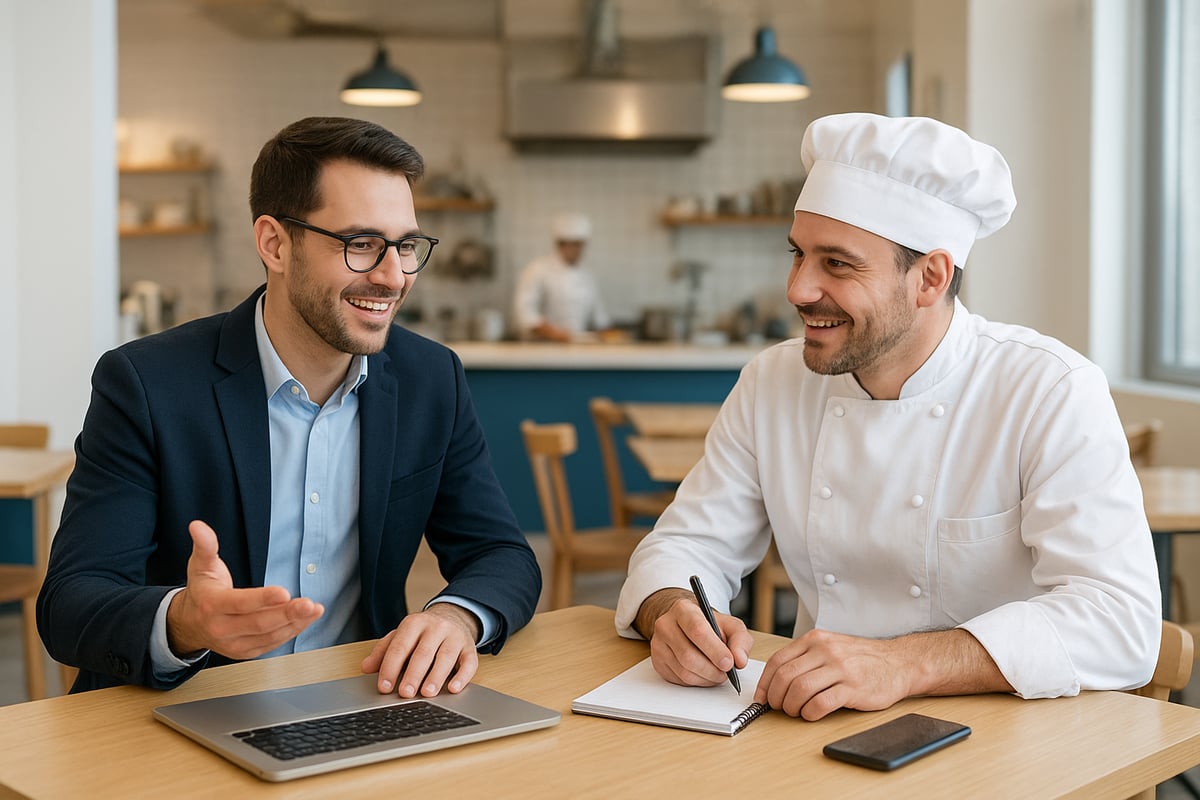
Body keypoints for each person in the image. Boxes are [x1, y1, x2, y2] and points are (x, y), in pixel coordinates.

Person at [614, 112, 1161, 721]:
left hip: (1007, 737)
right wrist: (671, 611)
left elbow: (1121, 621)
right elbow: (686, 544)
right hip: (814, 725)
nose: (797, 289)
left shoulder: (1047, 389)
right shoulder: (772, 382)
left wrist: (906, 664)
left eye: (837, 265)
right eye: (798, 255)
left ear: (931, 277)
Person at [38, 117, 542, 695]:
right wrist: (185, 621)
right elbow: (71, 603)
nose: (393, 276)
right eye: (361, 245)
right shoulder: (146, 383)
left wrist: (454, 617)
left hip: (363, 700)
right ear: (275, 244)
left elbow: (502, 553)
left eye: (405, 246)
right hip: (178, 710)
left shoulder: (432, 379)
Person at [512, 212, 610, 342]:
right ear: (559, 244)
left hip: (577, 349)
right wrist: (556, 334)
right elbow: (525, 314)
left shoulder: (587, 277)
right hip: (540, 349)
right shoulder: (537, 269)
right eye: (567, 244)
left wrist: (610, 335)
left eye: (577, 244)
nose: (573, 249)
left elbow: (600, 319)